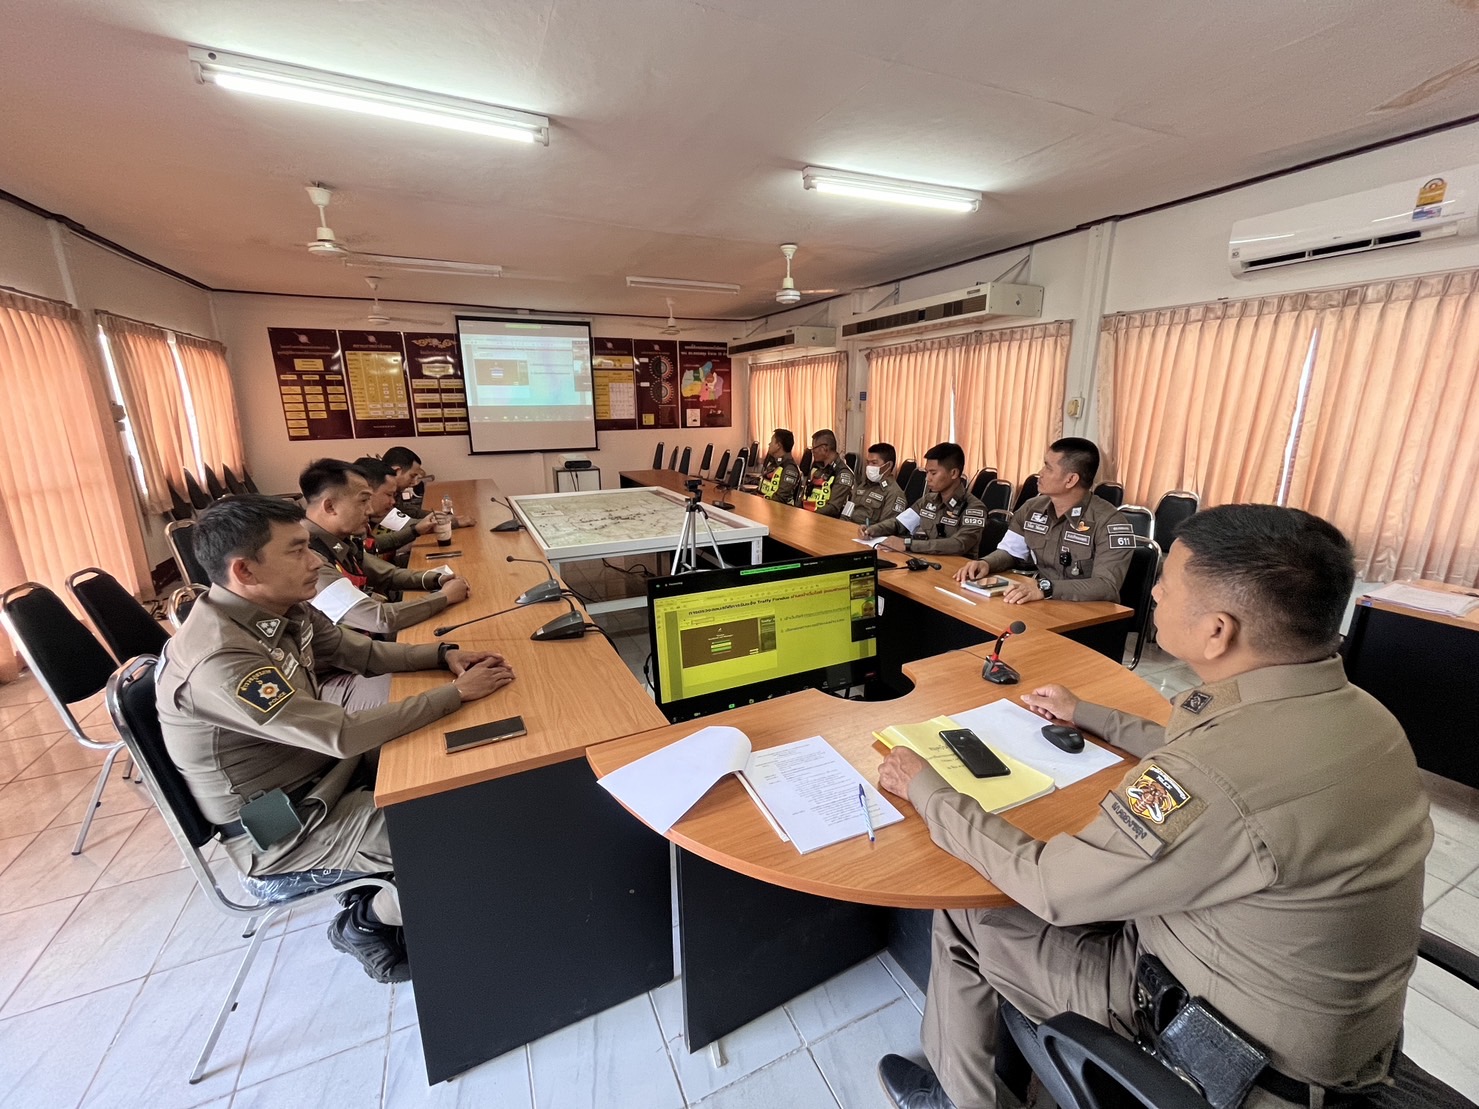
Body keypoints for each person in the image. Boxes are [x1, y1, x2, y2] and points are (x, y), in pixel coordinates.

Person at [875, 504, 1431, 1109]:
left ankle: (958, 1100)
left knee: (966, 910)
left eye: (1168, 582)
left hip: (1222, 1053)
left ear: (1218, 631)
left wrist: (927, 788)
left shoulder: (1213, 778)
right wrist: (1087, 714)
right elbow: (1199, 743)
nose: (1156, 591)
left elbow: (1051, 888)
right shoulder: (1365, 717)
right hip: (1325, 1035)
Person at [156, 495, 515, 983]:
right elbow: (341, 734)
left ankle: (389, 885)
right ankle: (365, 922)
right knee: (462, 837)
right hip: (288, 826)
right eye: (297, 550)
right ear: (245, 570)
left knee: (473, 766)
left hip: (324, 772)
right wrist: (455, 694)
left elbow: (360, 652)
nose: (315, 561)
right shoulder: (221, 660)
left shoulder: (278, 607)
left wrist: (442, 656)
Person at [300, 459, 471, 648]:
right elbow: (378, 619)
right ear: (330, 507)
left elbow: (387, 575)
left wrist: (438, 579)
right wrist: (444, 597)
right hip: (355, 655)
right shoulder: (308, 556)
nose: (370, 509)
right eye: (363, 500)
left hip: (368, 644)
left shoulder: (339, 539)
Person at [956, 438, 1132, 604]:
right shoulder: (1032, 508)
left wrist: (1046, 588)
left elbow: (1106, 586)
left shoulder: (1110, 522)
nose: (1040, 473)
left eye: (1048, 468)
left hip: (1088, 613)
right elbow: (1011, 552)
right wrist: (986, 563)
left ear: (1071, 479)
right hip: (1043, 603)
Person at [862, 442, 984, 557]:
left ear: (954, 473)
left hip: (956, 567)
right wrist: (873, 529)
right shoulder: (928, 500)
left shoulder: (974, 508)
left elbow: (960, 544)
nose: (927, 478)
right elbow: (899, 523)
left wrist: (907, 544)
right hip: (926, 561)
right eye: (927, 472)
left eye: (933, 473)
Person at [355, 456, 434, 568]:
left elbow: (375, 545)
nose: (414, 482)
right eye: (412, 476)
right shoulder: (358, 521)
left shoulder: (380, 507)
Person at [382, 445, 472, 528]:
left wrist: (445, 517)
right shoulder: (379, 494)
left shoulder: (393, 492)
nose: (414, 482)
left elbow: (407, 513)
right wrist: (454, 522)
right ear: (397, 471)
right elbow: (402, 525)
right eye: (412, 476)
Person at [833, 442, 910, 527]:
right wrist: (840, 526)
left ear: (888, 465)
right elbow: (846, 513)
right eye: (868, 463)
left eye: (874, 463)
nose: (869, 467)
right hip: (847, 529)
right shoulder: (863, 486)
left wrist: (868, 531)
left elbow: (887, 527)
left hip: (867, 533)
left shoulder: (894, 493)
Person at [799, 429, 855, 515]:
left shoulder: (843, 473)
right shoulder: (816, 467)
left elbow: (833, 508)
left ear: (824, 449)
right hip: (807, 515)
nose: (812, 451)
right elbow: (803, 496)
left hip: (824, 519)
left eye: (814, 448)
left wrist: (810, 516)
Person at [758, 429, 802, 504]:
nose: (769, 444)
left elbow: (781, 497)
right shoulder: (774, 463)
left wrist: (760, 502)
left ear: (778, 445)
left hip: (777, 508)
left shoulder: (790, 469)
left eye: (771, 442)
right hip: (764, 504)